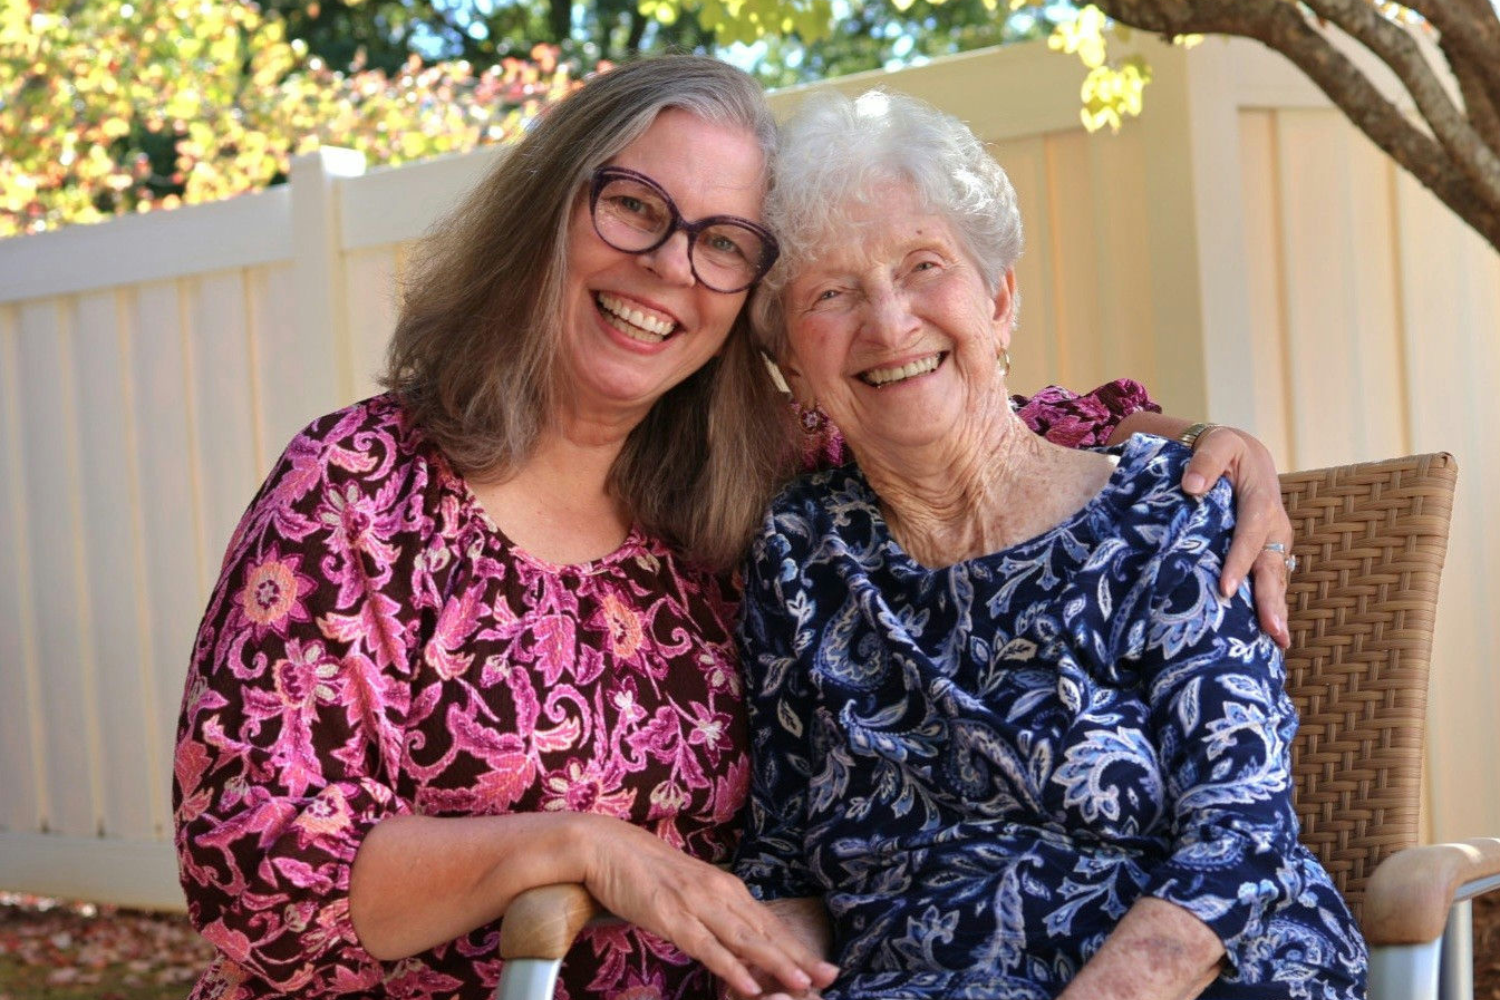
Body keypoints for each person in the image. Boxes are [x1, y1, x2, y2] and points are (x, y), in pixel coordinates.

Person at [172, 56, 1295, 1000]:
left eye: (722, 242)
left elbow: (952, 420)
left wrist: (1213, 442)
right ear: (548, 212)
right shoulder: (362, 491)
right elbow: (257, 879)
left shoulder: (735, 487)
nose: (668, 265)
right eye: (634, 207)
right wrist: (581, 845)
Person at [733, 90, 1366, 1000]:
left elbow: (1239, 833)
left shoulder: (1166, 512)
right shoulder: (800, 554)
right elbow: (785, 855)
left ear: (999, 299)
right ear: (791, 362)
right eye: (831, 293)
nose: (888, 322)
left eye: (923, 265)